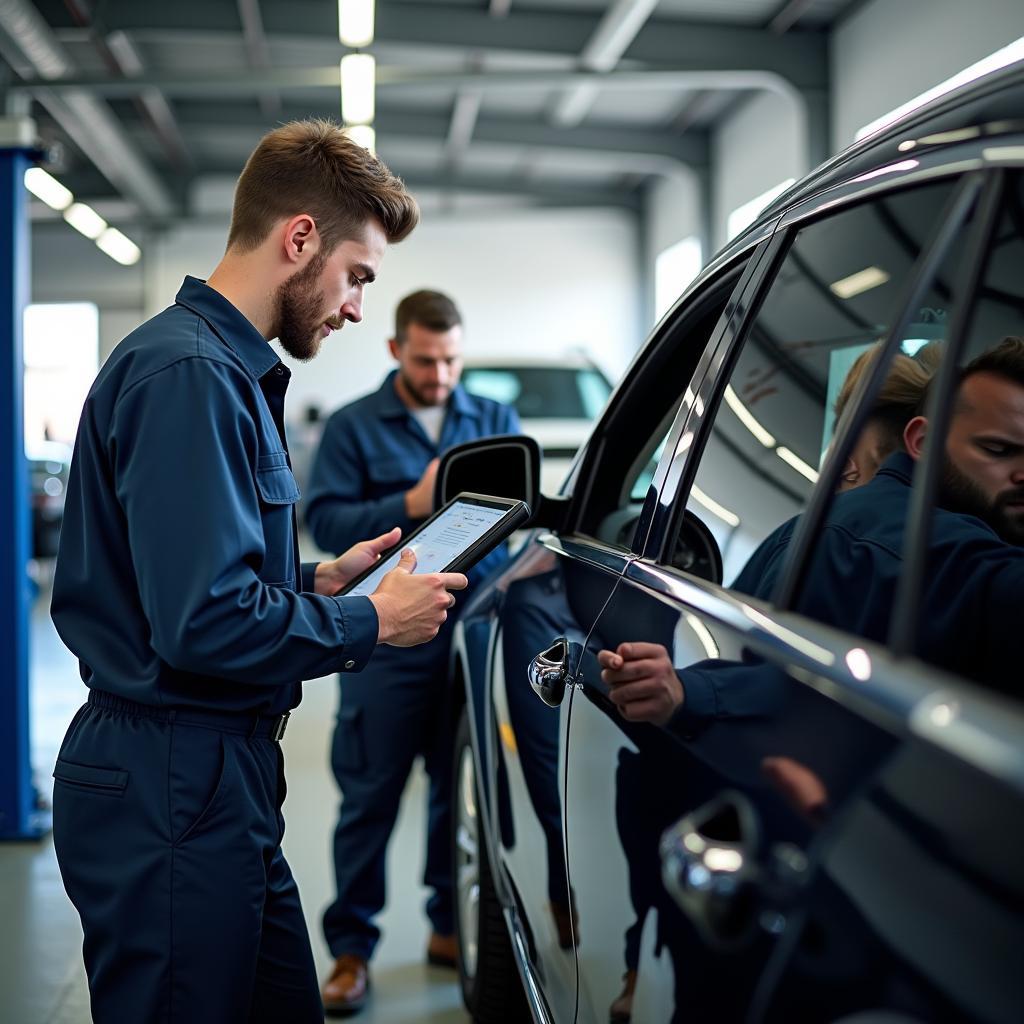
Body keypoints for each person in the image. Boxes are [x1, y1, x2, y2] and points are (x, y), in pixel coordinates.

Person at [49, 120, 469, 1024]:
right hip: (172, 778)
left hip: (216, 779)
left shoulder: (222, 372)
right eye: (359, 276)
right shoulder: (189, 375)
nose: (358, 307)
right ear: (301, 238)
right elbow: (201, 622)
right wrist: (371, 622)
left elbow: (192, 568)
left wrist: (314, 581)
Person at [600, 336, 1024, 722]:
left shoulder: (835, 533)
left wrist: (687, 689)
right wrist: (687, 690)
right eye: (998, 449)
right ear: (919, 443)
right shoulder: (876, 543)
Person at [305, 290, 520, 1013]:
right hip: (385, 643)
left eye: (452, 359)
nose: (441, 375)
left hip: (466, 634)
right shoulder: (352, 426)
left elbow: (517, 517)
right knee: (371, 794)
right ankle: (350, 951)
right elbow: (325, 517)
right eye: (427, 360)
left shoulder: (492, 419)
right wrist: (410, 502)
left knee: (453, 786)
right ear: (397, 350)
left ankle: (442, 924)